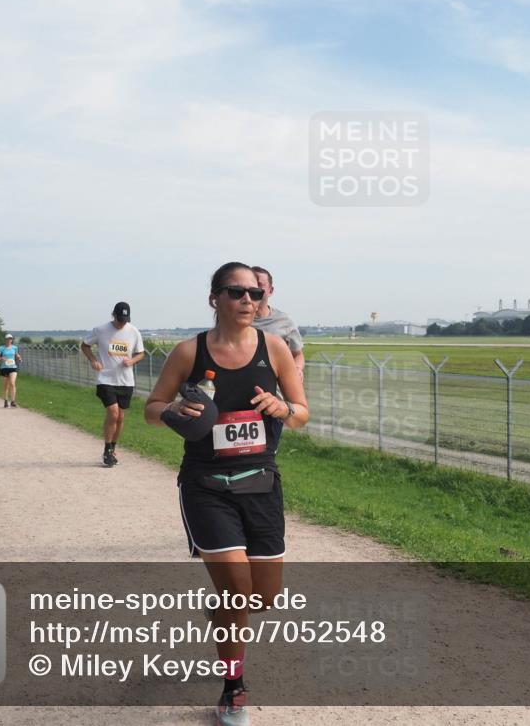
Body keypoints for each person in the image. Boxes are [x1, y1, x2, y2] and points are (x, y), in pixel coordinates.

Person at [144, 262, 309, 726]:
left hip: (260, 481)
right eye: (236, 292)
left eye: (255, 294)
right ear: (214, 297)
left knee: (263, 598)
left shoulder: (274, 348)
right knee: (239, 590)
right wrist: (175, 408)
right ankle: (233, 687)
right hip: (206, 485)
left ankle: (218, 611)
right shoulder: (188, 352)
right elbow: (152, 411)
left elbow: (301, 413)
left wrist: (284, 407)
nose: (248, 301)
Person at [81, 302, 145, 467]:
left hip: (125, 380)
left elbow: (141, 353)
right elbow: (85, 345)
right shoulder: (101, 330)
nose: (121, 323)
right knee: (113, 412)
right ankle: (107, 450)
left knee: (120, 416)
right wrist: (93, 360)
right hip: (106, 379)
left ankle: (113, 448)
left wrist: (132, 360)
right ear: (113, 315)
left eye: (125, 320)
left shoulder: (133, 331)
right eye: (119, 319)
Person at [251, 266, 305, 379]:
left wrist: (297, 369)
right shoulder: (234, 320)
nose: (254, 288)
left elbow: (298, 354)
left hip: (276, 393)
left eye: (259, 285)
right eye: (251, 284)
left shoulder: (284, 321)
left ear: (271, 291)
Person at [0, 333, 22, 408]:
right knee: (5, 386)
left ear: (12, 340)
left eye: (10, 339)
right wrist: (1, 358)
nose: (9, 340)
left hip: (13, 367)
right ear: (5, 340)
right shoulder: (1, 348)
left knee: (12, 383)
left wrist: (19, 357)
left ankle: (13, 401)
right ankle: (6, 400)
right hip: (4, 368)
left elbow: (16, 355)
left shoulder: (15, 347)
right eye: (8, 339)